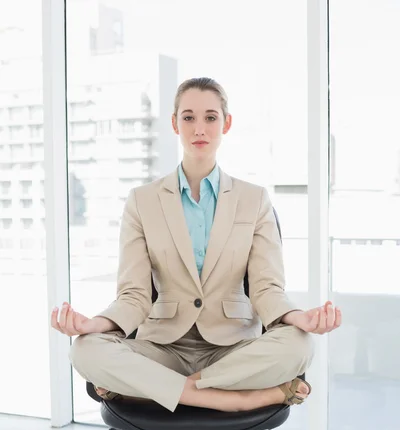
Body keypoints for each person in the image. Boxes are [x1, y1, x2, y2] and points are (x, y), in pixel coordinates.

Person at [51, 77, 341, 413]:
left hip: (232, 348)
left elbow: (266, 290)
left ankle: (155, 389)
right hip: (163, 347)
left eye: (210, 117)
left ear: (226, 123)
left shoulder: (254, 199)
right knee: (85, 349)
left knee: (298, 345)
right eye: (188, 117)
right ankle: (237, 399)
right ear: (175, 124)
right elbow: (133, 297)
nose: (199, 128)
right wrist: (92, 325)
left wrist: (297, 317)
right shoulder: (141, 201)